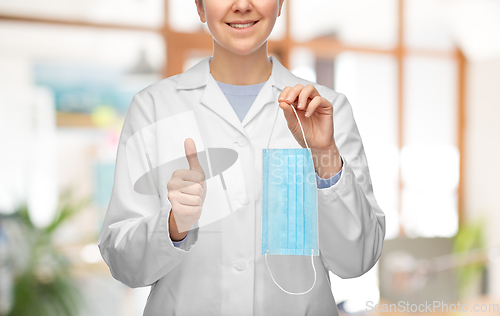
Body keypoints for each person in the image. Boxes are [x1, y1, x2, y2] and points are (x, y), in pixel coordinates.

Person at [98, 0, 386, 315]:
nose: (242, 5)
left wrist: (325, 155)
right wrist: (173, 225)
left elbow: (357, 258)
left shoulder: (327, 108)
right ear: (200, 7)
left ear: (280, 5)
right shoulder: (153, 108)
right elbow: (123, 265)